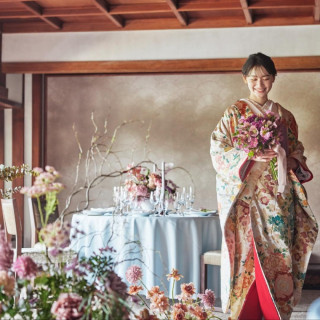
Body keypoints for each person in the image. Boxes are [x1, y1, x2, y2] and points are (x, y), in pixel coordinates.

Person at [210, 52, 318, 320]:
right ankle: (246, 311)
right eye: (254, 78)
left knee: (278, 250)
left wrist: (291, 161)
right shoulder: (235, 113)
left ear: (273, 79)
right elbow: (218, 148)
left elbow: (297, 150)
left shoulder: (285, 115)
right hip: (246, 196)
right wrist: (248, 156)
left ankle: (275, 311)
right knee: (247, 252)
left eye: (266, 78)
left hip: (278, 196)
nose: (260, 84)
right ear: (245, 79)